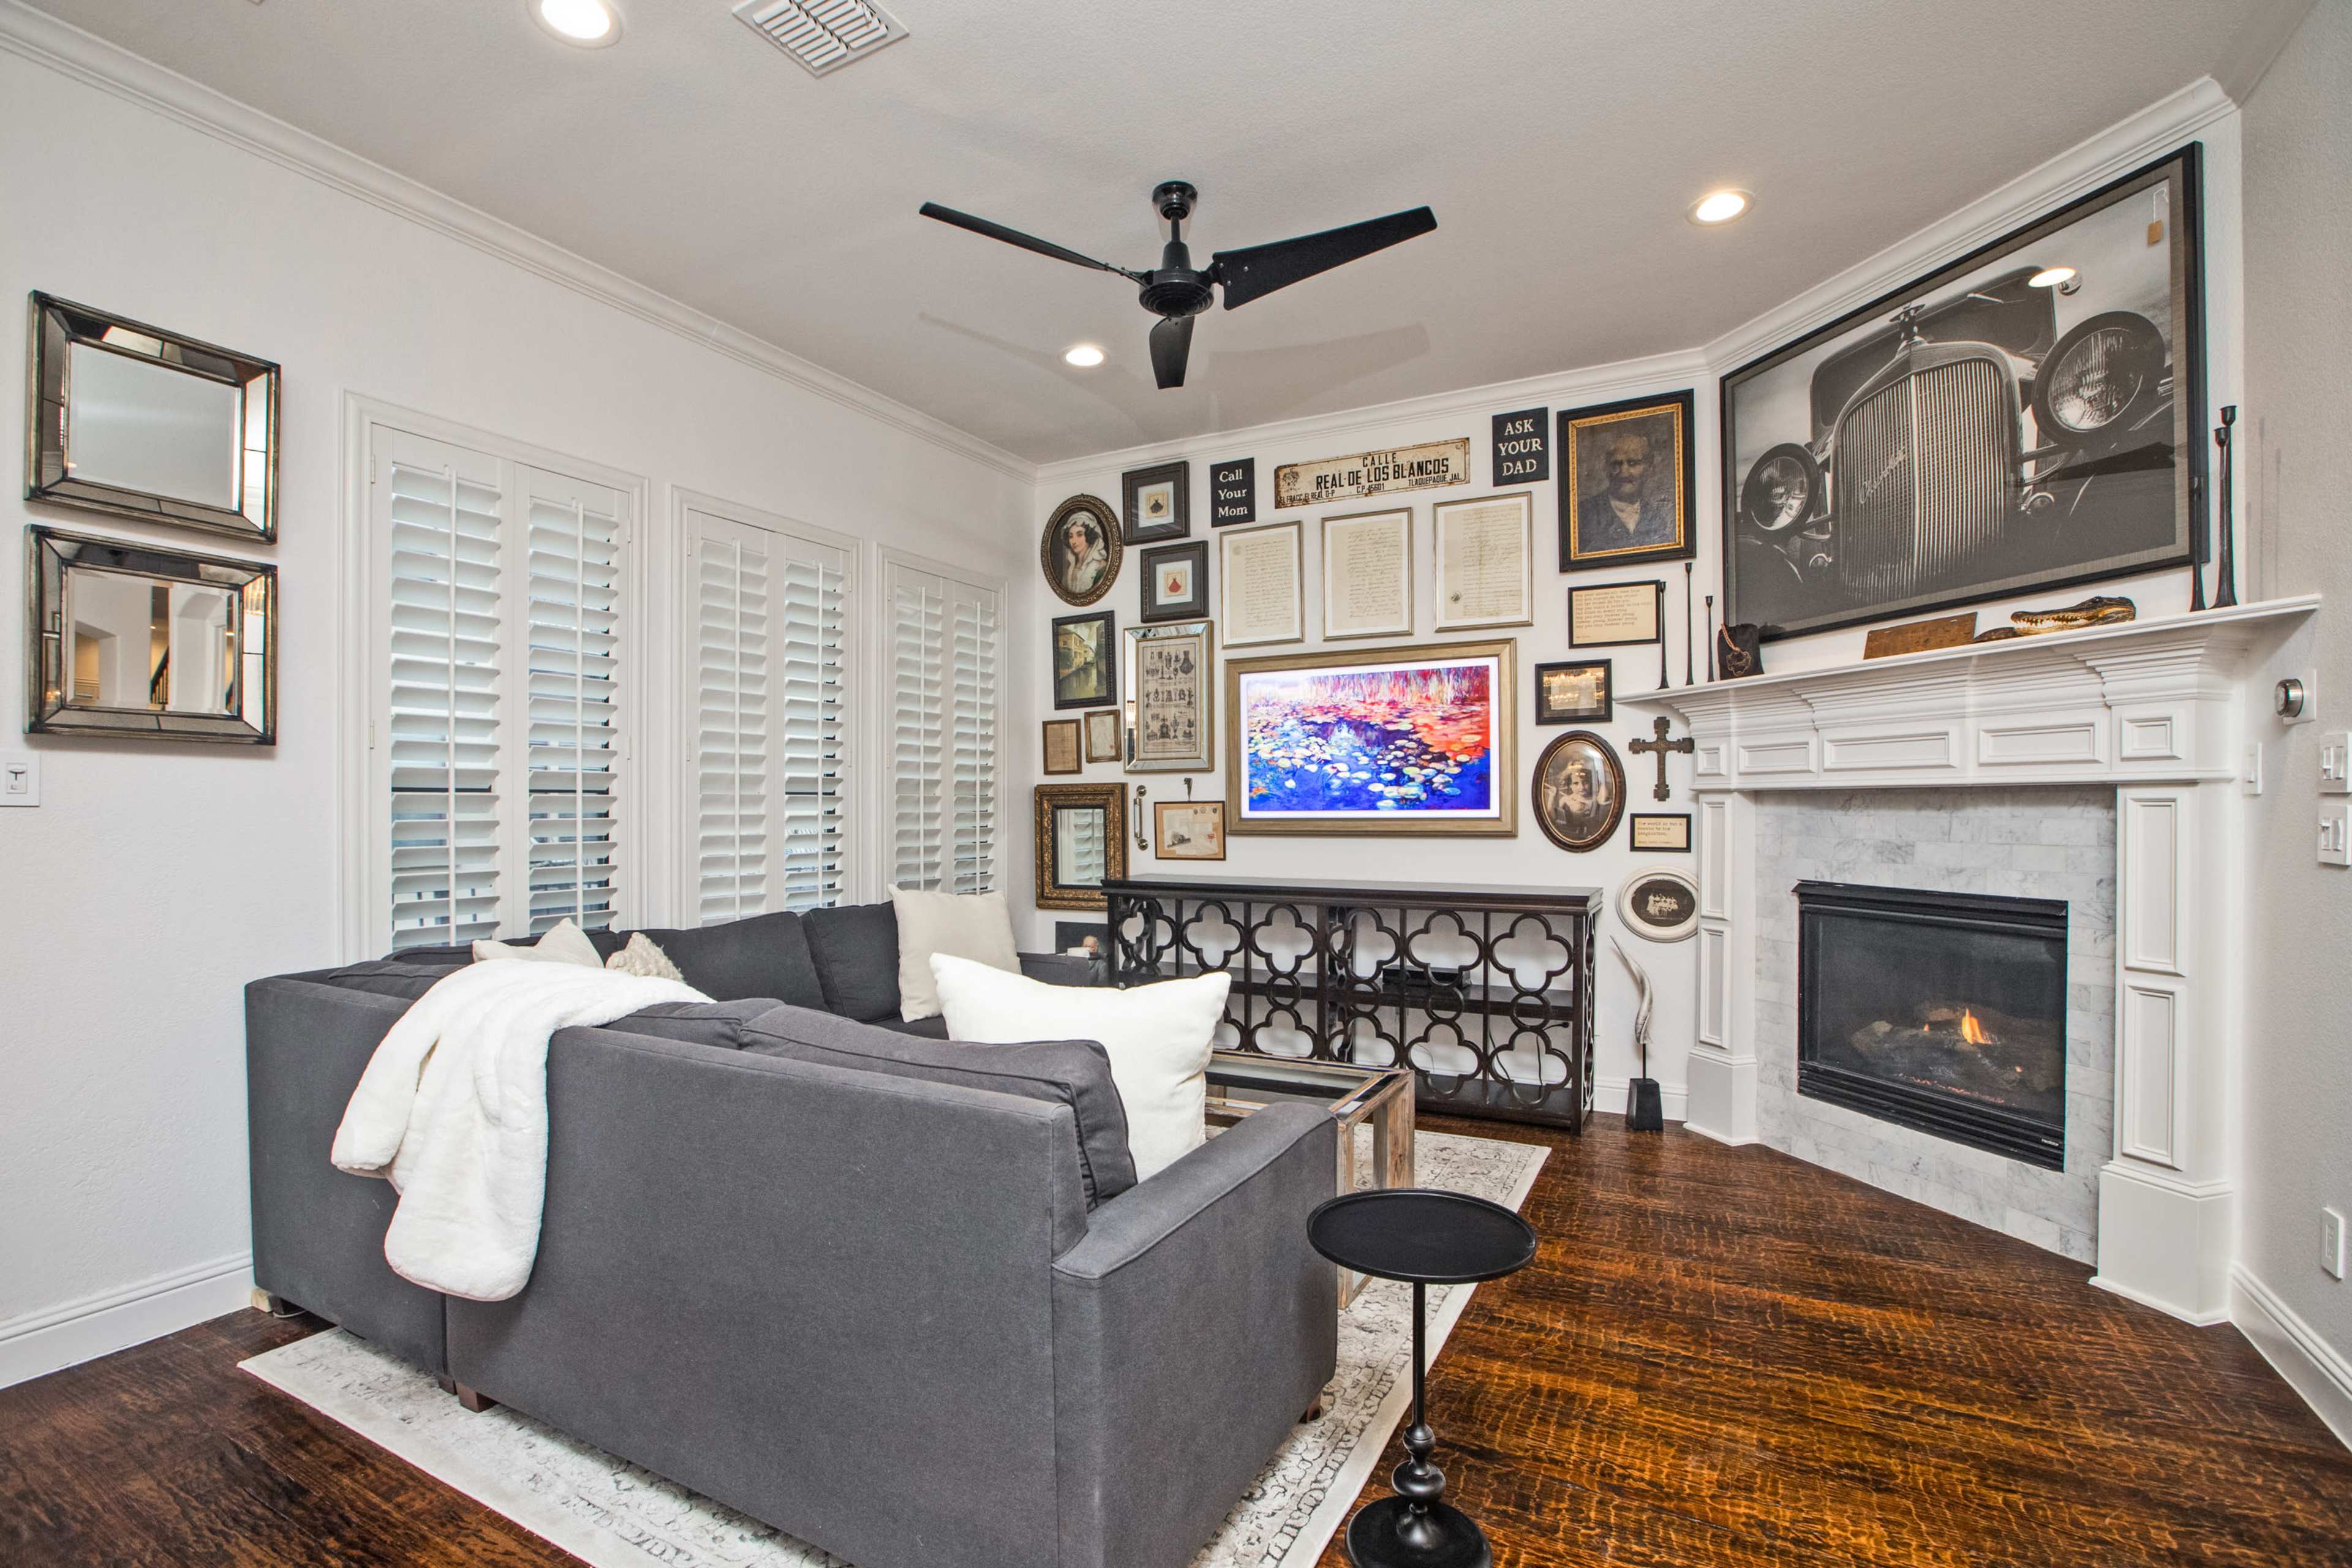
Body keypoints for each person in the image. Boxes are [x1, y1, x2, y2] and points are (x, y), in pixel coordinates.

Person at [1577, 424, 1678, 556]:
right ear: (1607, 469)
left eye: (1633, 463)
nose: (1624, 473)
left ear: (1649, 468)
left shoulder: (1658, 517)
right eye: (1616, 464)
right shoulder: (1583, 514)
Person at [1059, 516, 1109, 597]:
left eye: (1079, 535)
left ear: (1089, 536)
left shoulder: (1100, 567)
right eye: (1071, 536)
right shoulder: (1069, 570)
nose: (1074, 541)